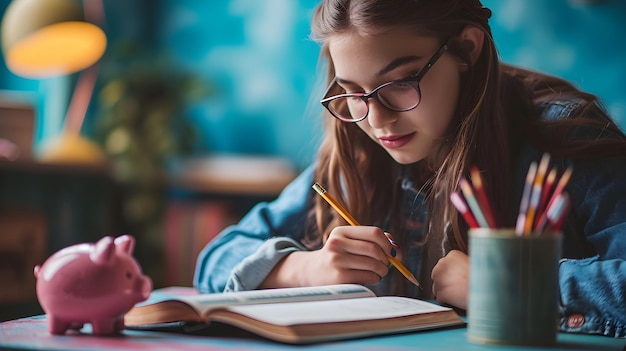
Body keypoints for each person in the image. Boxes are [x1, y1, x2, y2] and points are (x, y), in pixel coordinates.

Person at [194, 0, 626, 338]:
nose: (376, 120)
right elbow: (214, 260)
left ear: (467, 49)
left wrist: (505, 285)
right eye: (352, 91)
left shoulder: (564, 137)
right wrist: (307, 269)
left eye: (400, 82)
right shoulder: (357, 157)